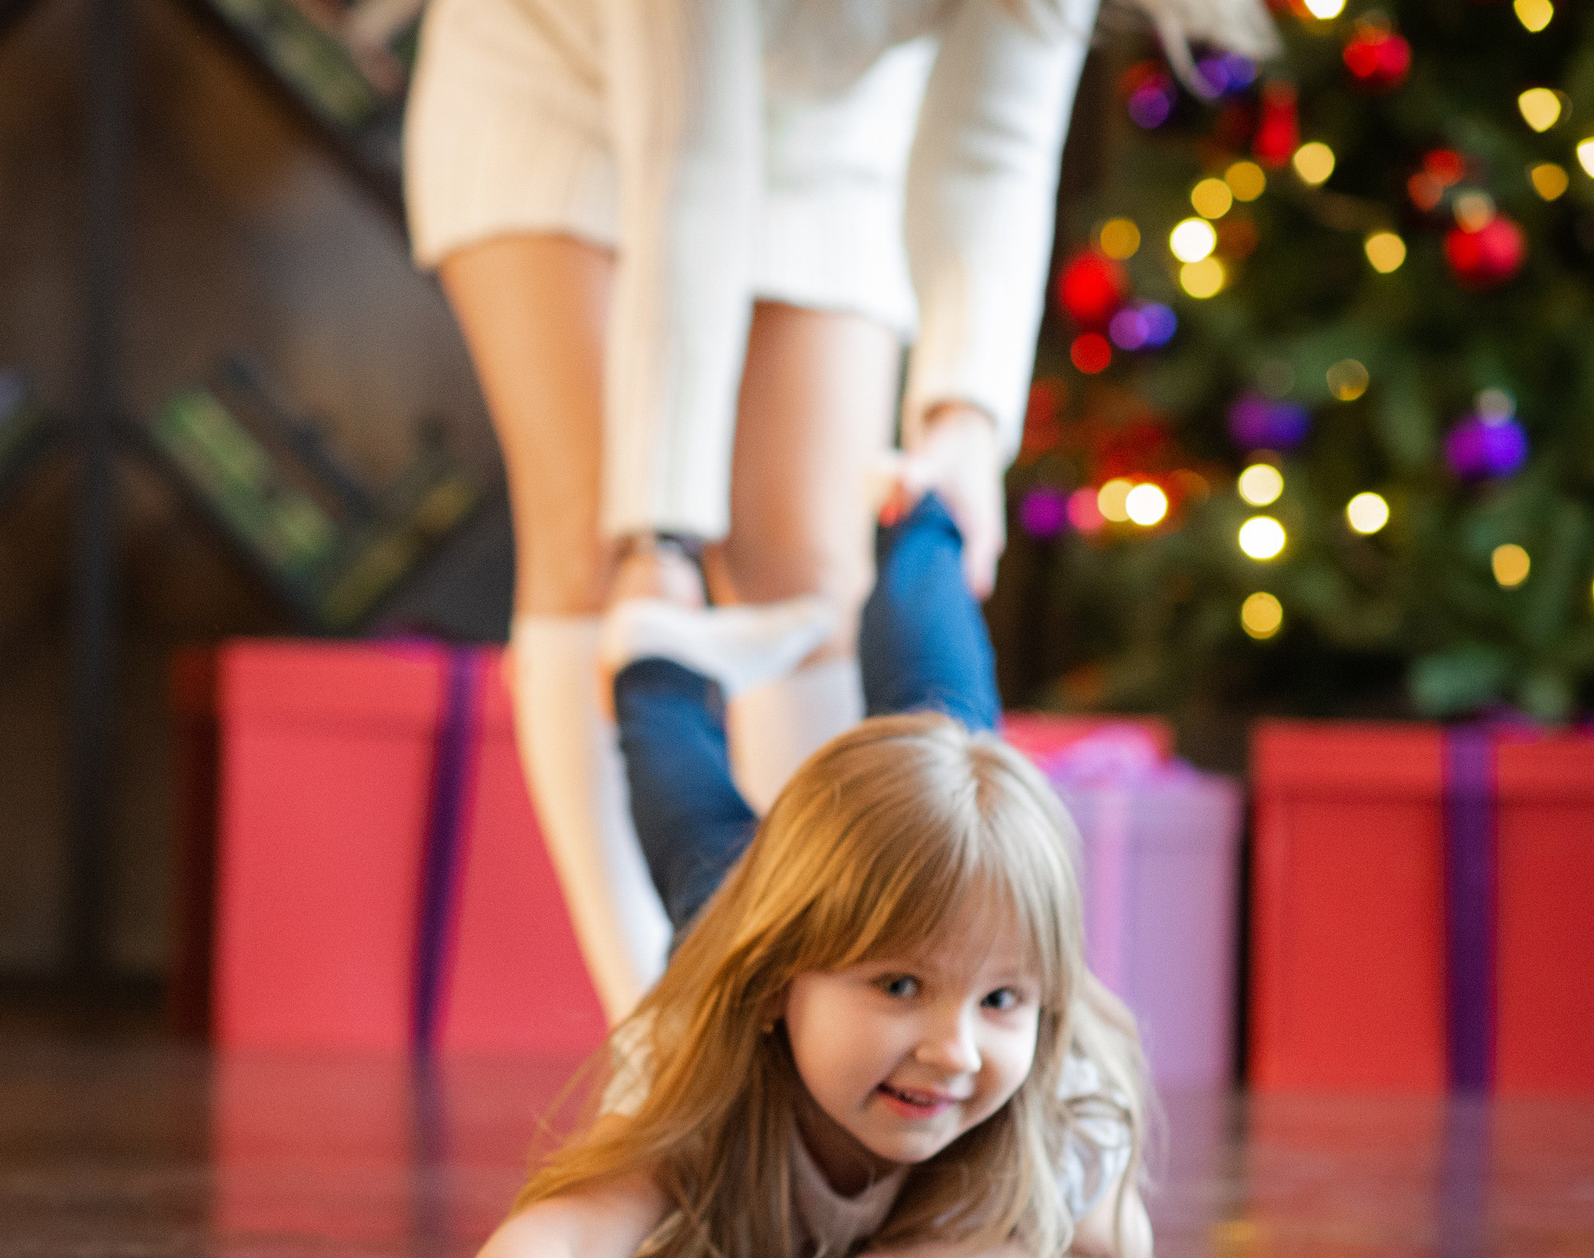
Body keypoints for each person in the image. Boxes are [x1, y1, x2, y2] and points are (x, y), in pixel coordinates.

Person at [404, 0, 1277, 1022]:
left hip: (828, 130)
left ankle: (821, 1010)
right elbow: (689, 156)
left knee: (809, 572)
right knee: (605, 549)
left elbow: (991, 150)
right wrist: (661, 528)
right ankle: (661, 1036)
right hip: (564, 84)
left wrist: (961, 417)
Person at [453, 500, 1212, 1258]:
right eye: (899, 984)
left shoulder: (1053, 1071)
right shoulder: (706, 1072)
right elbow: (558, 1233)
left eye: (1002, 1000)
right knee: (675, 782)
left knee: (955, 743)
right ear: (777, 982)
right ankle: (660, 654)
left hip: (919, 861)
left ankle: (922, 513)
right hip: (725, 916)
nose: (958, 1049)